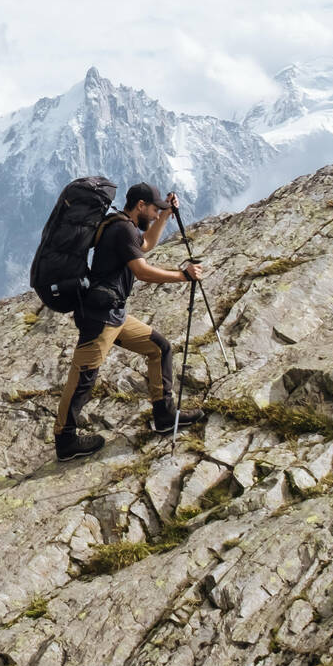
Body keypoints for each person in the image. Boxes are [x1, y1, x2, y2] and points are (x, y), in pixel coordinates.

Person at [53, 184, 205, 461]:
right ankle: (65, 441)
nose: (156, 211)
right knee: (83, 377)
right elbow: (142, 271)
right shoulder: (122, 229)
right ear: (140, 205)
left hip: (115, 315)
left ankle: (165, 415)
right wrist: (182, 275)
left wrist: (165, 216)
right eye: (154, 208)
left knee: (159, 348)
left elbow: (145, 245)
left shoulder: (127, 228)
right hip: (100, 318)